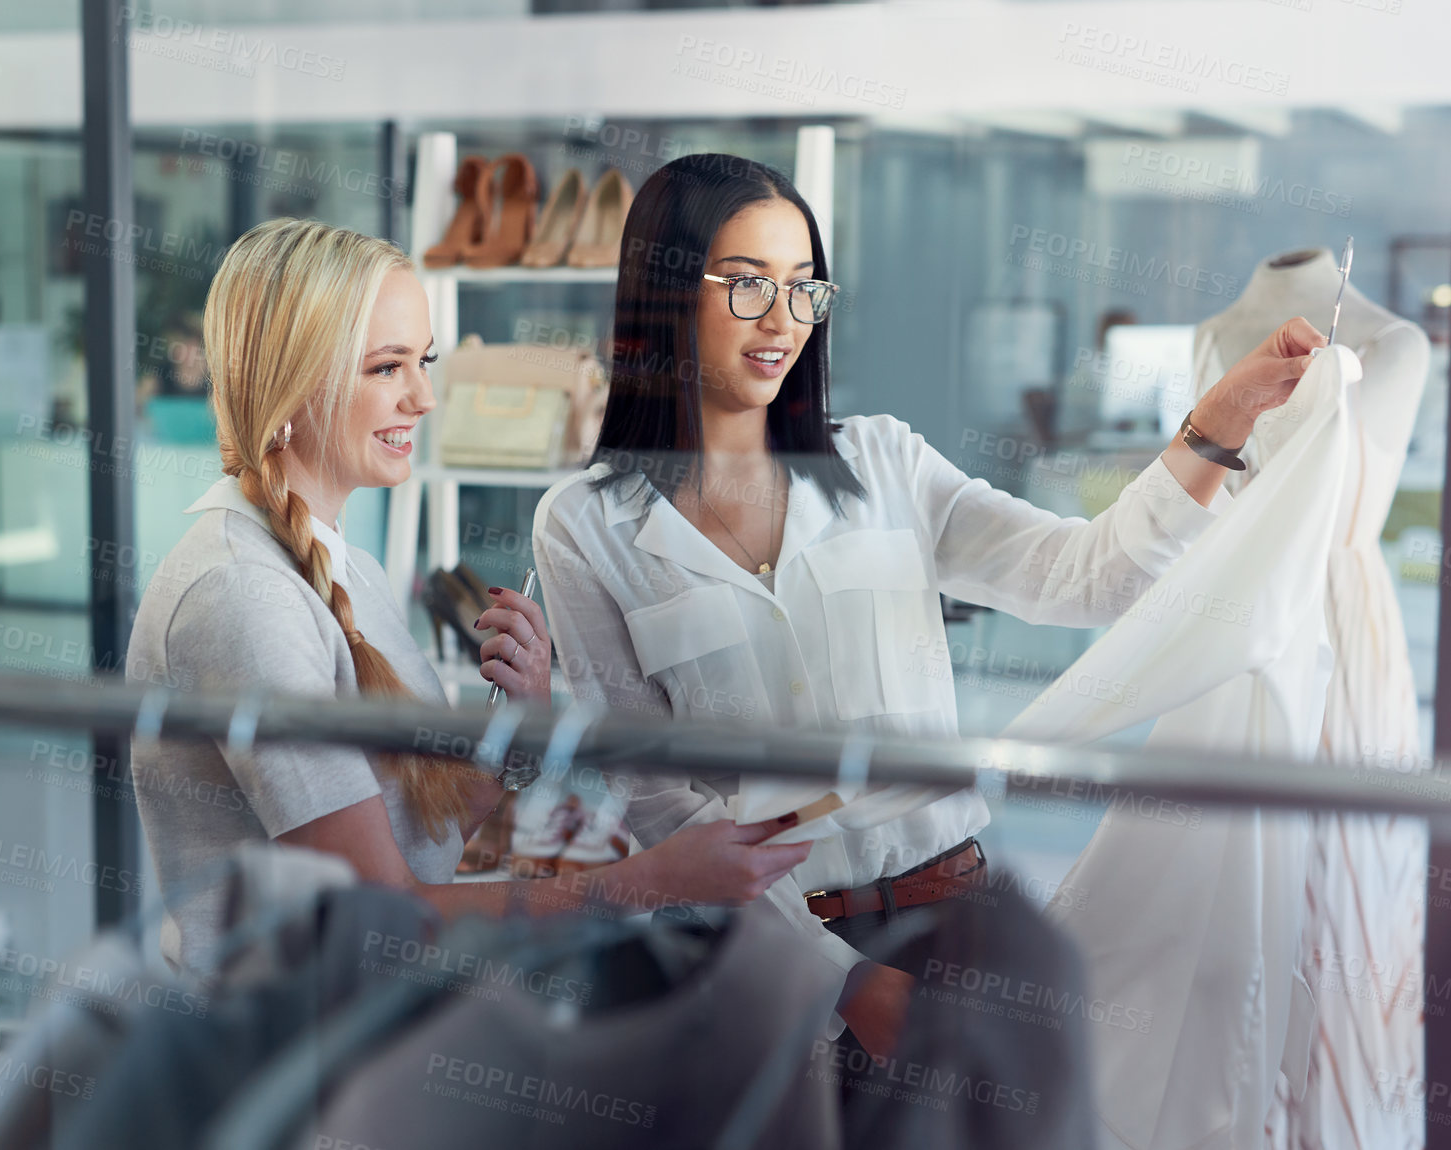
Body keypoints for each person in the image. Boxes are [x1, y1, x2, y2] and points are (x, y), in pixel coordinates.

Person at [529, 153, 1324, 1056]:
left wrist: (1217, 420)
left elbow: (1084, 574)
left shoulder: (883, 463)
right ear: (665, 291)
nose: (782, 322)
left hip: (960, 921)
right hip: (766, 959)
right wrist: (844, 985)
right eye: (747, 286)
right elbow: (655, 798)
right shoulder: (584, 525)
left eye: (803, 289)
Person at [125, 218, 813, 975]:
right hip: (283, 1061)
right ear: (291, 382)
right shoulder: (245, 595)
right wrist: (653, 879)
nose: (422, 397)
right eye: (387, 368)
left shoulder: (344, 565)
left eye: (422, 361)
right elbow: (382, 916)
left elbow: (422, 838)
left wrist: (510, 727)